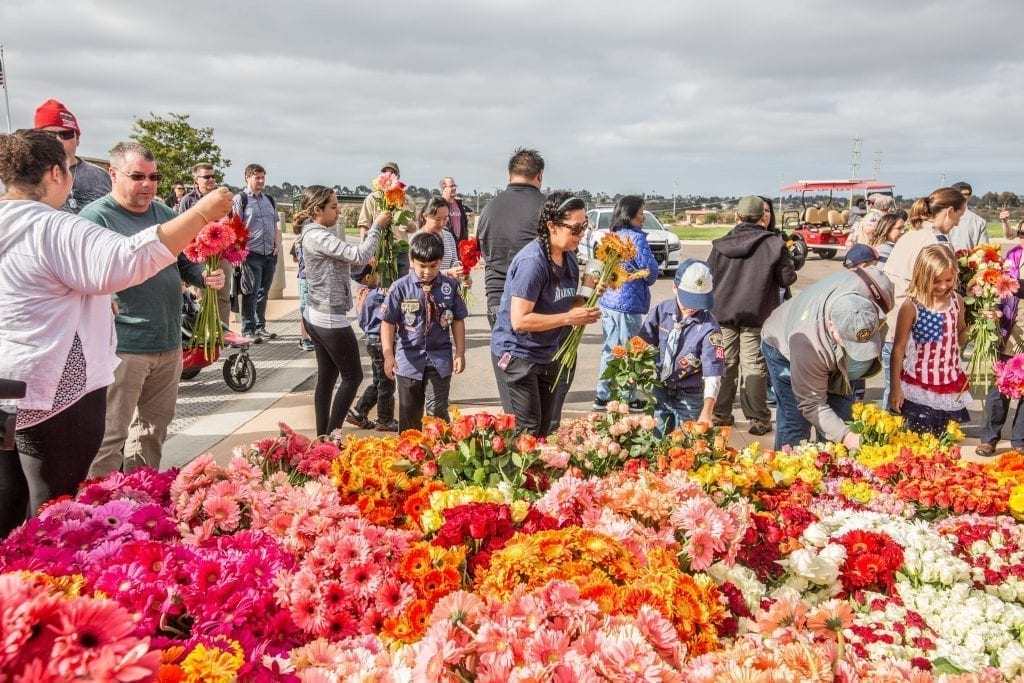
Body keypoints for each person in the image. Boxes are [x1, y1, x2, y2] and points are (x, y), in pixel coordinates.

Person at [0, 129, 232, 532]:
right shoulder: (54, 228)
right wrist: (201, 214)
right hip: (54, 390)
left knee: (8, 499)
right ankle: (41, 581)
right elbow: (127, 259)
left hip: (9, 382)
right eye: (70, 169)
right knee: (54, 508)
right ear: (56, 173)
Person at [83, 142, 226, 478]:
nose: (147, 184)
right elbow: (90, 275)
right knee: (110, 436)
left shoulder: (163, 214)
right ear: (113, 175)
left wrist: (203, 276)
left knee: (152, 432)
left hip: (167, 343)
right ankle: (96, 510)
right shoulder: (95, 217)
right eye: (137, 177)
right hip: (124, 347)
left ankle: (139, 495)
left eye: (153, 177)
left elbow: (183, 260)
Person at [489, 192, 602, 436]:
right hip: (518, 353)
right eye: (575, 228)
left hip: (546, 353)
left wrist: (590, 295)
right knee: (526, 430)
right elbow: (520, 320)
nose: (581, 234)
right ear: (552, 226)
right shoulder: (533, 262)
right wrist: (568, 319)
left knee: (543, 428)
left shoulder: (569, 257)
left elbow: (568, 304)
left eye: (584, 227)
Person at [761, 264, 894, 450]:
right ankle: (788, 472)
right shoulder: (807, 343)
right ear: (832, 327)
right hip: (782, 345)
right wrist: (847, 437)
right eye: (850, 343)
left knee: (841, 415)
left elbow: (874, 276)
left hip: (824, 346)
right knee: (796, 420)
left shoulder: (875, 293)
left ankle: (834, 472)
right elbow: (811, 403)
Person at [297, 185, 385, 436]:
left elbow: (346, 264)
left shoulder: (315, 232)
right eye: (333, 207)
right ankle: (331, 438)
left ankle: (323, 437)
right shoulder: (317, 235)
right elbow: (357, 255)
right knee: (353, 377)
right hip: (328, 317)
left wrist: (365, 275)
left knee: (327, 377)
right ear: (317, 209)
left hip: (317, 313)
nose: (338, 212)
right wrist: (377, 226)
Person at [708, 195, 797, 436]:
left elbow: (708, 277)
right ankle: (758, 418)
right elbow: (787, 278)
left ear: (737, 216)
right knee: (754, 367)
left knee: (724, 364)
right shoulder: (773, 244)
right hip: (756, 315)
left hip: (722, 314)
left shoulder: (720, 244)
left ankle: (720, 414)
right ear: (763, 216)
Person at [881, 188, 966, 410]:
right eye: (958, 217)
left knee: (892, 398)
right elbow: (938, 293)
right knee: (907, 406)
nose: (956, 224)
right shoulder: (936, 243)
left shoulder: (911, 234)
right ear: (949, 211)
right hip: (917, 337)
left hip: (892, 325)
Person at [381, 232, 468, 431]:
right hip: (408, 361)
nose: (427, 271)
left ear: (440, 262)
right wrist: (387, 354)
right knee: (409, 413)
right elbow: (387, 323)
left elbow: (458, 319)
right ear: (412, 261)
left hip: (440, 360)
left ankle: (440, 454)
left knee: (437, 411)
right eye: (422, 266)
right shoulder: (400, 288)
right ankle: (411, 457)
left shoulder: (450, 287)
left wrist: (460, 352)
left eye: (433, 266)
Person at [888, 245, 970, 435]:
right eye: (936, 281)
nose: (943, 286)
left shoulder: (957, 300)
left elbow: (960, 338)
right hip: (919, 388)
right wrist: (895, 387)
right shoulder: (911, 306)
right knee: (920, 446)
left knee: (947, 446)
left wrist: (979, 325)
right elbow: (898, 349)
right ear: (922, 278)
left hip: (950, 385)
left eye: (948, 280)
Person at [638, 259, 725, 436]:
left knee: (686, 445)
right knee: (655, 438)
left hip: (691, 394)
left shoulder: (710, 328)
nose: (692, 307)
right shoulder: (660, 311)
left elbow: (713, 373)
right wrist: (632, 366)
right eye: (688, 300)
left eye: (699, 301)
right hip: (661, 389)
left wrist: (707, 410)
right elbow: (642, 342)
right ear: (675, 288)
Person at [591, 195, 660, 411]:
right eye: (641, 213)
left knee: (610, 349)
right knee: (630, 352)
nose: (643, 218)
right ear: (630, 215)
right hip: (627, 305)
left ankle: (602, 396)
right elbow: (650, 273)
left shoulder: (612, 236)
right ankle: (626, 397)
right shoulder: (636, 239)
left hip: (609, 301)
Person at [478, 148, 546, 329]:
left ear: (509, 176)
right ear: (539, 175)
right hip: (536, 305)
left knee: (504, 355)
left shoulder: (488, 209)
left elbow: (482, 250)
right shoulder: (548, 210)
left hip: (497, 298)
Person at [978, 219, 1024, 455]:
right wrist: (994, 307)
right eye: (1021, 233)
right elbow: (997, 287)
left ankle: (1020, 441)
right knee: (1001, 386)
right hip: (1011, 331)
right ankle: (989, 437)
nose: (1023, 238)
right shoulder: (1012, 257)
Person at [179, 162, 234, 330]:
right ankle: (205, 331)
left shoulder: (222, 199)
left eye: (213, 176)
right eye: (206, 177)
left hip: (221, 254)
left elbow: (230, 225)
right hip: (199, 255)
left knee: (223, 296)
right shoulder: (188, 200)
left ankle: (221, 331)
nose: (211, 180)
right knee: (202, 294)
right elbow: (182, 227)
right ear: (196, 179)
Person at [32, 99, 111, 214]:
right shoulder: (25, 176)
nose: (58, 140)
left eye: (66, 134)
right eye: (49, 134)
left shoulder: (101, 176)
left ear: (77, 139)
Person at [235, 163, 281, 343]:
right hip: (251, 253)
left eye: (263, 177)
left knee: (264, 291)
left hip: (269, 252)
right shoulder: (241, 199)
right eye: (257, 177)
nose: (261, 181)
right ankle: (248, 329)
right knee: (251, 292)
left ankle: (260, 326)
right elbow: (236, 226)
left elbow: (275, 224)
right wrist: (239, 252)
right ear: (247, 178)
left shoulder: (268, 199)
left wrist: (277, 245)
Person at [347, 266, 397, 432]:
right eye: (378, 273)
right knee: (387, 383)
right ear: (368, 277)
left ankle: (359, 411)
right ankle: (385, 418)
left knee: (379, 381)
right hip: (380, 342)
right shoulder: (376, 295)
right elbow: (391, 296)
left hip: (371, 341)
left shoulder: (363, 294)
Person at [357, 160, 418, 243]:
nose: (388, 175)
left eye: (392, 173)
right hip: (378, 248)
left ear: (398, 176)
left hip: (400, 249)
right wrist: (363, 245)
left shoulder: (407, 200)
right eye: (385, 172)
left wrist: (408, 224)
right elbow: (364, 225)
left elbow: (414, 228)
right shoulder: (372, 198)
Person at [418, 196, 465, 279]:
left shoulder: (448, 236)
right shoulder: (417, 239)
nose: (442, 223)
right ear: (425, 216)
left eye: (445, 218)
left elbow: (455, 262)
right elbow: (417, 273)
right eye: (438, 219)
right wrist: (448, 273)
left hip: (447, 288)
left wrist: (462, 275)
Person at [289, 221, 315, 352]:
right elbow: (295, 257)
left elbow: (294, 258)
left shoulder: (299, 240)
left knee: (311, 309)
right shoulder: (301, 241)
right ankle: (305, 338)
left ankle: (311, 337)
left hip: (309, 279)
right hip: (304, 279)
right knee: (305, 310)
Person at [948, 181, 990, 252]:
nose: (965, 197)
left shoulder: (979, 222)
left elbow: (983, 250)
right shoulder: (940, 217)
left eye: (968, 194)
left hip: (969, 262)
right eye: (962, 194)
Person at [441, 176, 472, 244]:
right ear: (444, 188)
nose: (454, 188)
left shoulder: (459, 205)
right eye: (451, 186)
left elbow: (465, 226)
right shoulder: (438, 205)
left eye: (455, 186)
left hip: (459, 246)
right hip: (444, 245)